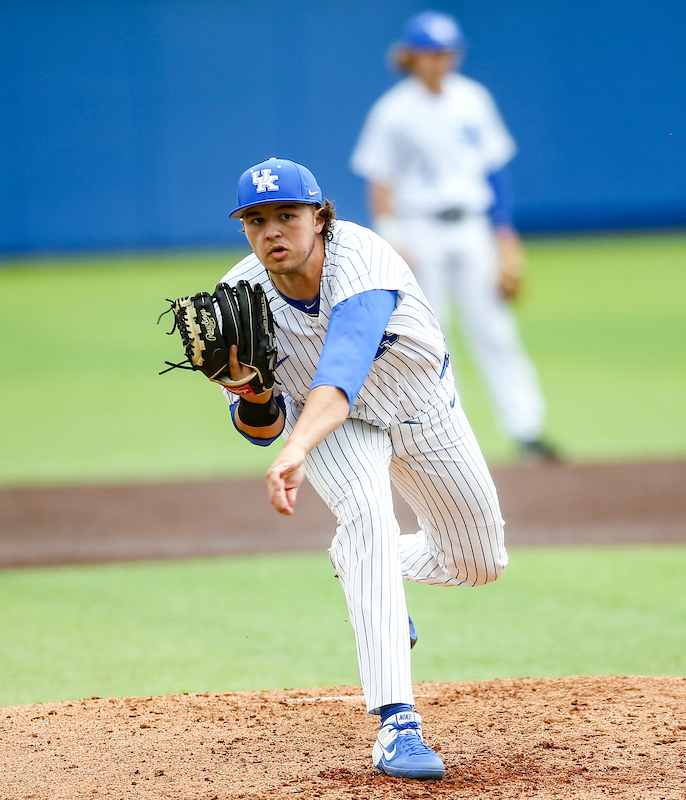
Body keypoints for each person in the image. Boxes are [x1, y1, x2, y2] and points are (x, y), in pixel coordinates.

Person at [218, 157, 508, 780]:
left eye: (288, 216)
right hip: (336, 432)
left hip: (421, 408)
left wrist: (293, 448)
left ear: (319, 218)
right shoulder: (237, 299)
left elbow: (342, 369)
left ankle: (362, 564)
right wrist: (253, 394)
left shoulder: (363, 257)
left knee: (479, 562)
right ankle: (396, 726)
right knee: (369, 520)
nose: (273, 232)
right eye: (257, 220)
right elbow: (258, 428)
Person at [350, 10, 559, 462]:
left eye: (447, 51)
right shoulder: (392, 111)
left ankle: (527, 430)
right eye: (431, 52)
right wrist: (393, 242)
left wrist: (507, 246)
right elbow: (380, 184)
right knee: (431, 336)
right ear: (412, 56)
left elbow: (495, 174)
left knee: (496, 331)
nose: (440, 60)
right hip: (419, 229)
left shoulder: (473, 98)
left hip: (473, 227)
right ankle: (450, 436)